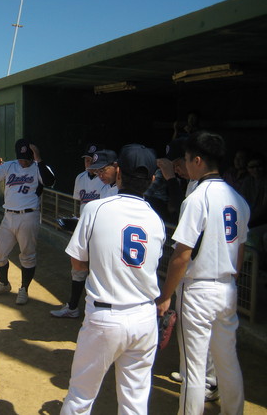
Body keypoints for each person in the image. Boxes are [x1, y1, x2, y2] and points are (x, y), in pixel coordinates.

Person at [60, 144, 165, 414]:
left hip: (105, 315)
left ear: (118, 173)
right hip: (144, 318)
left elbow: (77, 262)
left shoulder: (95, 209)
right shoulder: (156, 220)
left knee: (81, 396)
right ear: (153, 180)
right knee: (134, 402)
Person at [157, 131, 250, 415]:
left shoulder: (197, 198)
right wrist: (229, 282)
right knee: (227, 362)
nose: (185, 165)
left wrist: (166, 296)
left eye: (187, 159)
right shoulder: (238, 199)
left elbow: (182, 255)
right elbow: (241, 251)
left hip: (198, 289)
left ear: (198, 160)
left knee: (194, 368)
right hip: (227, 287)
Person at [0, 138, 55, 305]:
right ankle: (3, 283)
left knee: (27, 255)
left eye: (27, 158)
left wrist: (38, 159)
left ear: (33, 156)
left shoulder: (39, 167)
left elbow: (49, 181)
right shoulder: (10, 165)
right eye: (21, 158)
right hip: (8, 216)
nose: (23, 161)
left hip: (28, 216)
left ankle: (24, 288)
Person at [50, 143, 105, 318]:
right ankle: (73, 307)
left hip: (100, 231)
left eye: (91, 160)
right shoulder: (80, 177)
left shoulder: (106, 182)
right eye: (86, 159)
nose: (88, 163)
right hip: (84, 229)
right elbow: (80, 204)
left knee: (96, 271)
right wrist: (74, 222)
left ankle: (95, 309)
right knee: (78, 268)